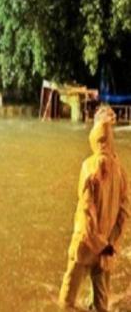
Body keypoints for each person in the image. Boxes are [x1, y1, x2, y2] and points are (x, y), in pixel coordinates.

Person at [59, 106, 129, 312]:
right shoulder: (122, 172)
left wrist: (97, 242)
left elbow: (86, 212)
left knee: (67, 300)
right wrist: (110, 243)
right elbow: (125, 214)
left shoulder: (88, 167)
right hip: (106, 248)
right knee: (101, 305)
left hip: (85, 244)